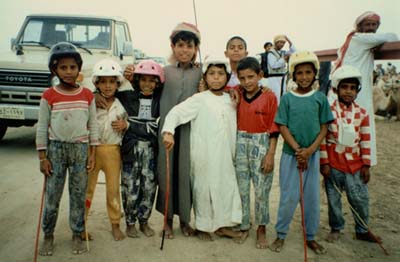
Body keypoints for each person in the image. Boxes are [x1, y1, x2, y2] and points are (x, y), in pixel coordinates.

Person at [124, 22, 202, 239]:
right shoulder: (164, 72)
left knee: (186, 174)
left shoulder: (201, 73)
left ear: (196, 48)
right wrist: (130, 76)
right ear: (172, 46)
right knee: (165, 173)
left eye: (189, 45)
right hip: (165, 132)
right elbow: (144, 88)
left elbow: (219, 86)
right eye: (180, 45)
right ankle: (167, 221)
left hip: (190, 132)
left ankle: (185, 221)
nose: (184, 50)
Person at [162, 56, 242, 241]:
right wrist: (168, 132)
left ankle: (222, 225)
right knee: (203, 189)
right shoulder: (199, 99)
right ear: (204, 77)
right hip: (204, 155)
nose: (216, 78)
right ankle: (203, 227)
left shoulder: (231, 99)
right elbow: (176, 112)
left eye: (221, 74)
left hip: (225, 155)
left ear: (227, 77)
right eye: (211, 74)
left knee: (225, 187)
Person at [36, 42, 99, 255]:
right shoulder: (48, 95)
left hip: (80, 149)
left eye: (73, 67)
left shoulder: (87, 95)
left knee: (78, 195)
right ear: (54, 69)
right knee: (52, 196)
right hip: (56, 150)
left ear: (78, 68)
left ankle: (77, 233)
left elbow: (93, 126)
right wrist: (43, 157)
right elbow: (42, 128)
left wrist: (92, 154)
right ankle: (48, 235)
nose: (69, 72)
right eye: (63, 68)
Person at [270, 51, 334, 255]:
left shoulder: (320, 98)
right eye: (300, 73)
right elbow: (282, 126)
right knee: (289, 197)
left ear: (315, 73)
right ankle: (280, 234)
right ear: (293, 75)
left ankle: (311, 237)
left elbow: (324, 127)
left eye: (308, 72)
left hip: (312, 156)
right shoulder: (287, 99)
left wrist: (310, 150)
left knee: (311, 198)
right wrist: (298, 150)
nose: (304, 76)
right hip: (291, 156)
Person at [320, 65, 381, 244]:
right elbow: (323, 138)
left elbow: (366, 140)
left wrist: (366, 164)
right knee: (333, 199)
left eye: (352, 88)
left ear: (357, 91)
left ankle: (362, 229)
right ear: (336, 89)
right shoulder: (328, 110)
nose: (348, 92)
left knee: (360, 198)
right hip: (333, 163)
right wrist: (324, 163)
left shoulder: (362, 113)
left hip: (355, 165)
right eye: (344, 87)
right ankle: (336, 227)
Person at [332, 11, 398, 166]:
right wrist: (378, 43)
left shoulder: (356, 39)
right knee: (357, 122)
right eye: (367, 24)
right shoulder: (360, 38)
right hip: (353, 90)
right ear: (360, 27)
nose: (370, 28)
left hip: (351, 87)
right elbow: (394, 36)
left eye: (374, 25)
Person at [235, 57, 279, 248]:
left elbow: (274, 128)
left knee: (261, 189)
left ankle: (261, 227)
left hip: (261, 143)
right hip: (240, 142)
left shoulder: (270, 97)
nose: (247, 82)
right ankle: (244, 225)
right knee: (241, 188)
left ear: (260, 75)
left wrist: (270, 154)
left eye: (251, 77)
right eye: (242, 78)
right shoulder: (236, 93)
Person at [118, 60, 164, 238]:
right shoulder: (128, 96)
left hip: (151, 151)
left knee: (149, 186)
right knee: (130, 186)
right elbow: (106, 90)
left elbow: (153, 129)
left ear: (158, 82)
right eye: (143, 79)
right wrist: (124, 75)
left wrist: (129, 125)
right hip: (131, 150)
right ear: (136, 80)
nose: (147, 84)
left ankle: (144, 221)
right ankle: (130, 223)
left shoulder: (160, 99)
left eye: (152, 80)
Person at [85, 59, 127, 241]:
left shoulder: (121, 103)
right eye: (103, 81)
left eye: (112, 81)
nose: (108, 86)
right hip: (92, 150)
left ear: (118, 83)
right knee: (87, 189)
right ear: (96, 83)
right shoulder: (91, 102)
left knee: (112, 190)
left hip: (113, 151)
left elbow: (129, 120)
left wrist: (126, 124)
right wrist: (92, 96)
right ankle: (81, 225)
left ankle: (115, 224)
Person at [267, 34, 296, 104]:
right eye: (280, 42)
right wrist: (284, 59)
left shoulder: (283, 52)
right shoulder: (271, 53)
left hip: (282, 77)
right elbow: (273, 65)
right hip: (273, 78)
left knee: (283, 95)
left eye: (283, 43)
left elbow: (294, 51)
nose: (282, 44)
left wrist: (289, 41)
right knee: (276, 96)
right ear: (276, 42)